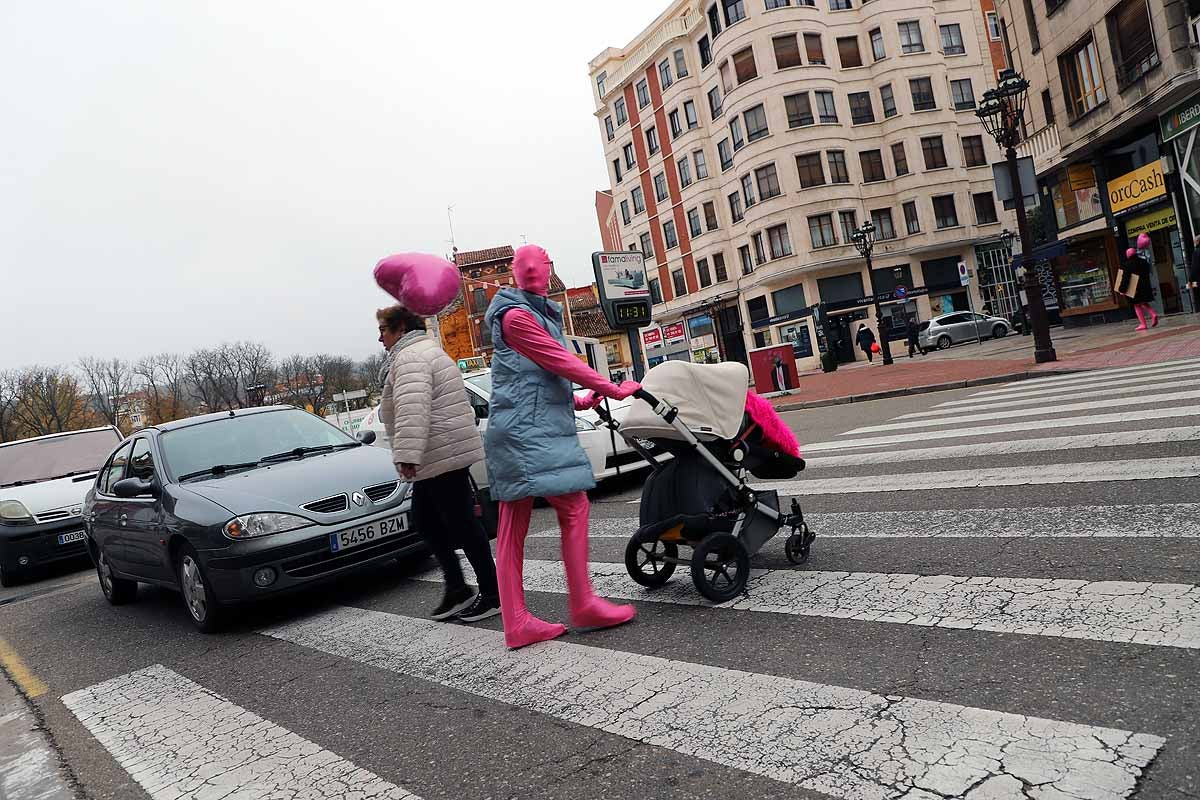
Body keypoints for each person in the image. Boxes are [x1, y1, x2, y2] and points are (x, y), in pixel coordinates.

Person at [484, 244, 641, 649]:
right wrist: (609, 386)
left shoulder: (526, 314)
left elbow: (529, 383)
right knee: (572, 507)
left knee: (512, 525)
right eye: (530, 265)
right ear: (520, 274)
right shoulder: (518, 317)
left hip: (520, 428)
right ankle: (581, 601)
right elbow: (557, 360)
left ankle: (518, 621)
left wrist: (580, 400)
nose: (538, 270)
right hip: (525, 434)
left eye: (543, 264)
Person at [377, 304, 501, 622]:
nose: (380, 339)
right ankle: (459, 587)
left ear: (400, 329)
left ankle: (491, 593)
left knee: (458, 524)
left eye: (383, 330)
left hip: (440, 453)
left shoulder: (410, 358)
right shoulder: (423, 351)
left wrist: (407, 455)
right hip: (441, 452)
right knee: (428, 521)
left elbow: (412, 408)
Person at [1124, 246, 1158, 330]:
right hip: (1145, 285)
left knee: (1136, 305)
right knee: (1143, 302)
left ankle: (1143, 324)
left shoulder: (1127, 265)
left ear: (1128, 255)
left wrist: (1122, 289)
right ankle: (1153, 313)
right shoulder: (1144, 262)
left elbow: (1125, 278)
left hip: (1134, 287)